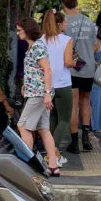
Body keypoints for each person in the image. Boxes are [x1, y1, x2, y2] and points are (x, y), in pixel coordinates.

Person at [16, 18, 61, 176]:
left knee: (23, 126)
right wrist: (27, 84)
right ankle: (53, 165)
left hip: (38, 94)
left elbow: (47, 70)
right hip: (37, 92)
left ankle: (28, 165)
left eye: (20, 30)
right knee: (43, 129)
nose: (18, 33)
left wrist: (47, 93)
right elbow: (37, 70)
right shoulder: (35, 46)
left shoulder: (37, 47)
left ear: (27, 31)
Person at [61, 0, 96, 153]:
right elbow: (95, 46)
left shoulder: (62, 23)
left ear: (63, 4)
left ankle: (74, 142)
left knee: (73, 104)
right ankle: (86, 137)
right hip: (88, 67)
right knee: (85, 101)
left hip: (71, 67)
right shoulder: (88, 22)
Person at [42, 10, 75, 153]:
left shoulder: (41, 40)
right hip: (63, 83)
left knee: (52, 119)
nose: (66, 24)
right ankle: (53, 152)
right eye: (65, 22)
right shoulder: (66, 40)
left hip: (47, 85)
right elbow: (67, 62)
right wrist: (75, 62)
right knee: (64, 119)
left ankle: (48, 150)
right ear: (59, 24)